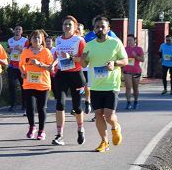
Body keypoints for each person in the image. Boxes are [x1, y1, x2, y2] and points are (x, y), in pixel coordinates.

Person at [81, 16, 128, 153]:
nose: (99, 29)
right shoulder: (89, 45)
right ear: (94, 30)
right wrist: (83, 59)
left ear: (108, 29)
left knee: (109, 116)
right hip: (95, 85)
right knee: (98, 114)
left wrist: (115, 63)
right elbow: (84, 64)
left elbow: (125, 60)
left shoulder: (115, 43)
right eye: (97, 27)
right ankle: (104, 141)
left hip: (111, 85)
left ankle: (115, 127)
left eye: (102, 26)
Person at [51, 16, 87, 146]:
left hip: (76, 75)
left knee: (77, 106)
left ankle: (80, 129)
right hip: (61, 75)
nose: (67, 26)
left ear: (75, 27)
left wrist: (71, 57)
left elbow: (84, 60)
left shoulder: (79, 40)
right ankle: (59, 135)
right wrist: (53, 64)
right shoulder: (59, 40)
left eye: (69, 25)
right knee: (59, 104)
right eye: (65, 24)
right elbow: (57, 56)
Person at [19, 30, 53, 140]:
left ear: (42, 40)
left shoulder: (46, 52)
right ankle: (32, 127)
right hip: (29, 83)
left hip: (43, 84)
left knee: (41, 108)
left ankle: (41, 131)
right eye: (34, 37)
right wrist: (23, 72)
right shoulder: (25, 52)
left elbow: (51, 68)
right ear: (30, 39)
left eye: (38, 37)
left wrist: (40, 64)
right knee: (30, 107)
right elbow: (21, 65)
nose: (36, 39)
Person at [5, 26, 27, 112]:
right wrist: (8, 50)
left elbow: (27, 52)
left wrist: (21, 49)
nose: (17, 31)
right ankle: (12, 105)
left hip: (22, 66)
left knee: (23, 85)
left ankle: (24, 105)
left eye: (19, 29)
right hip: (12, 66)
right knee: (12, 85)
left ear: (22, 31)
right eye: (16, 29)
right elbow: (7, 50)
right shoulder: (10, 40)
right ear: (14, 31)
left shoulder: (25, 40)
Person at [122, 34, 145, 109]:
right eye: (127, 40)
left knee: (135, 88)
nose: (129, 41)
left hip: (136, 71)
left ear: (134, 41)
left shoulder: (139, 49)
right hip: (127, 70)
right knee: (128, 87)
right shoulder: (124, 49)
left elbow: (142, 59)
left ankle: (136, 102)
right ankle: (128, 103)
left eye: (130, 40)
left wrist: (135, 56)